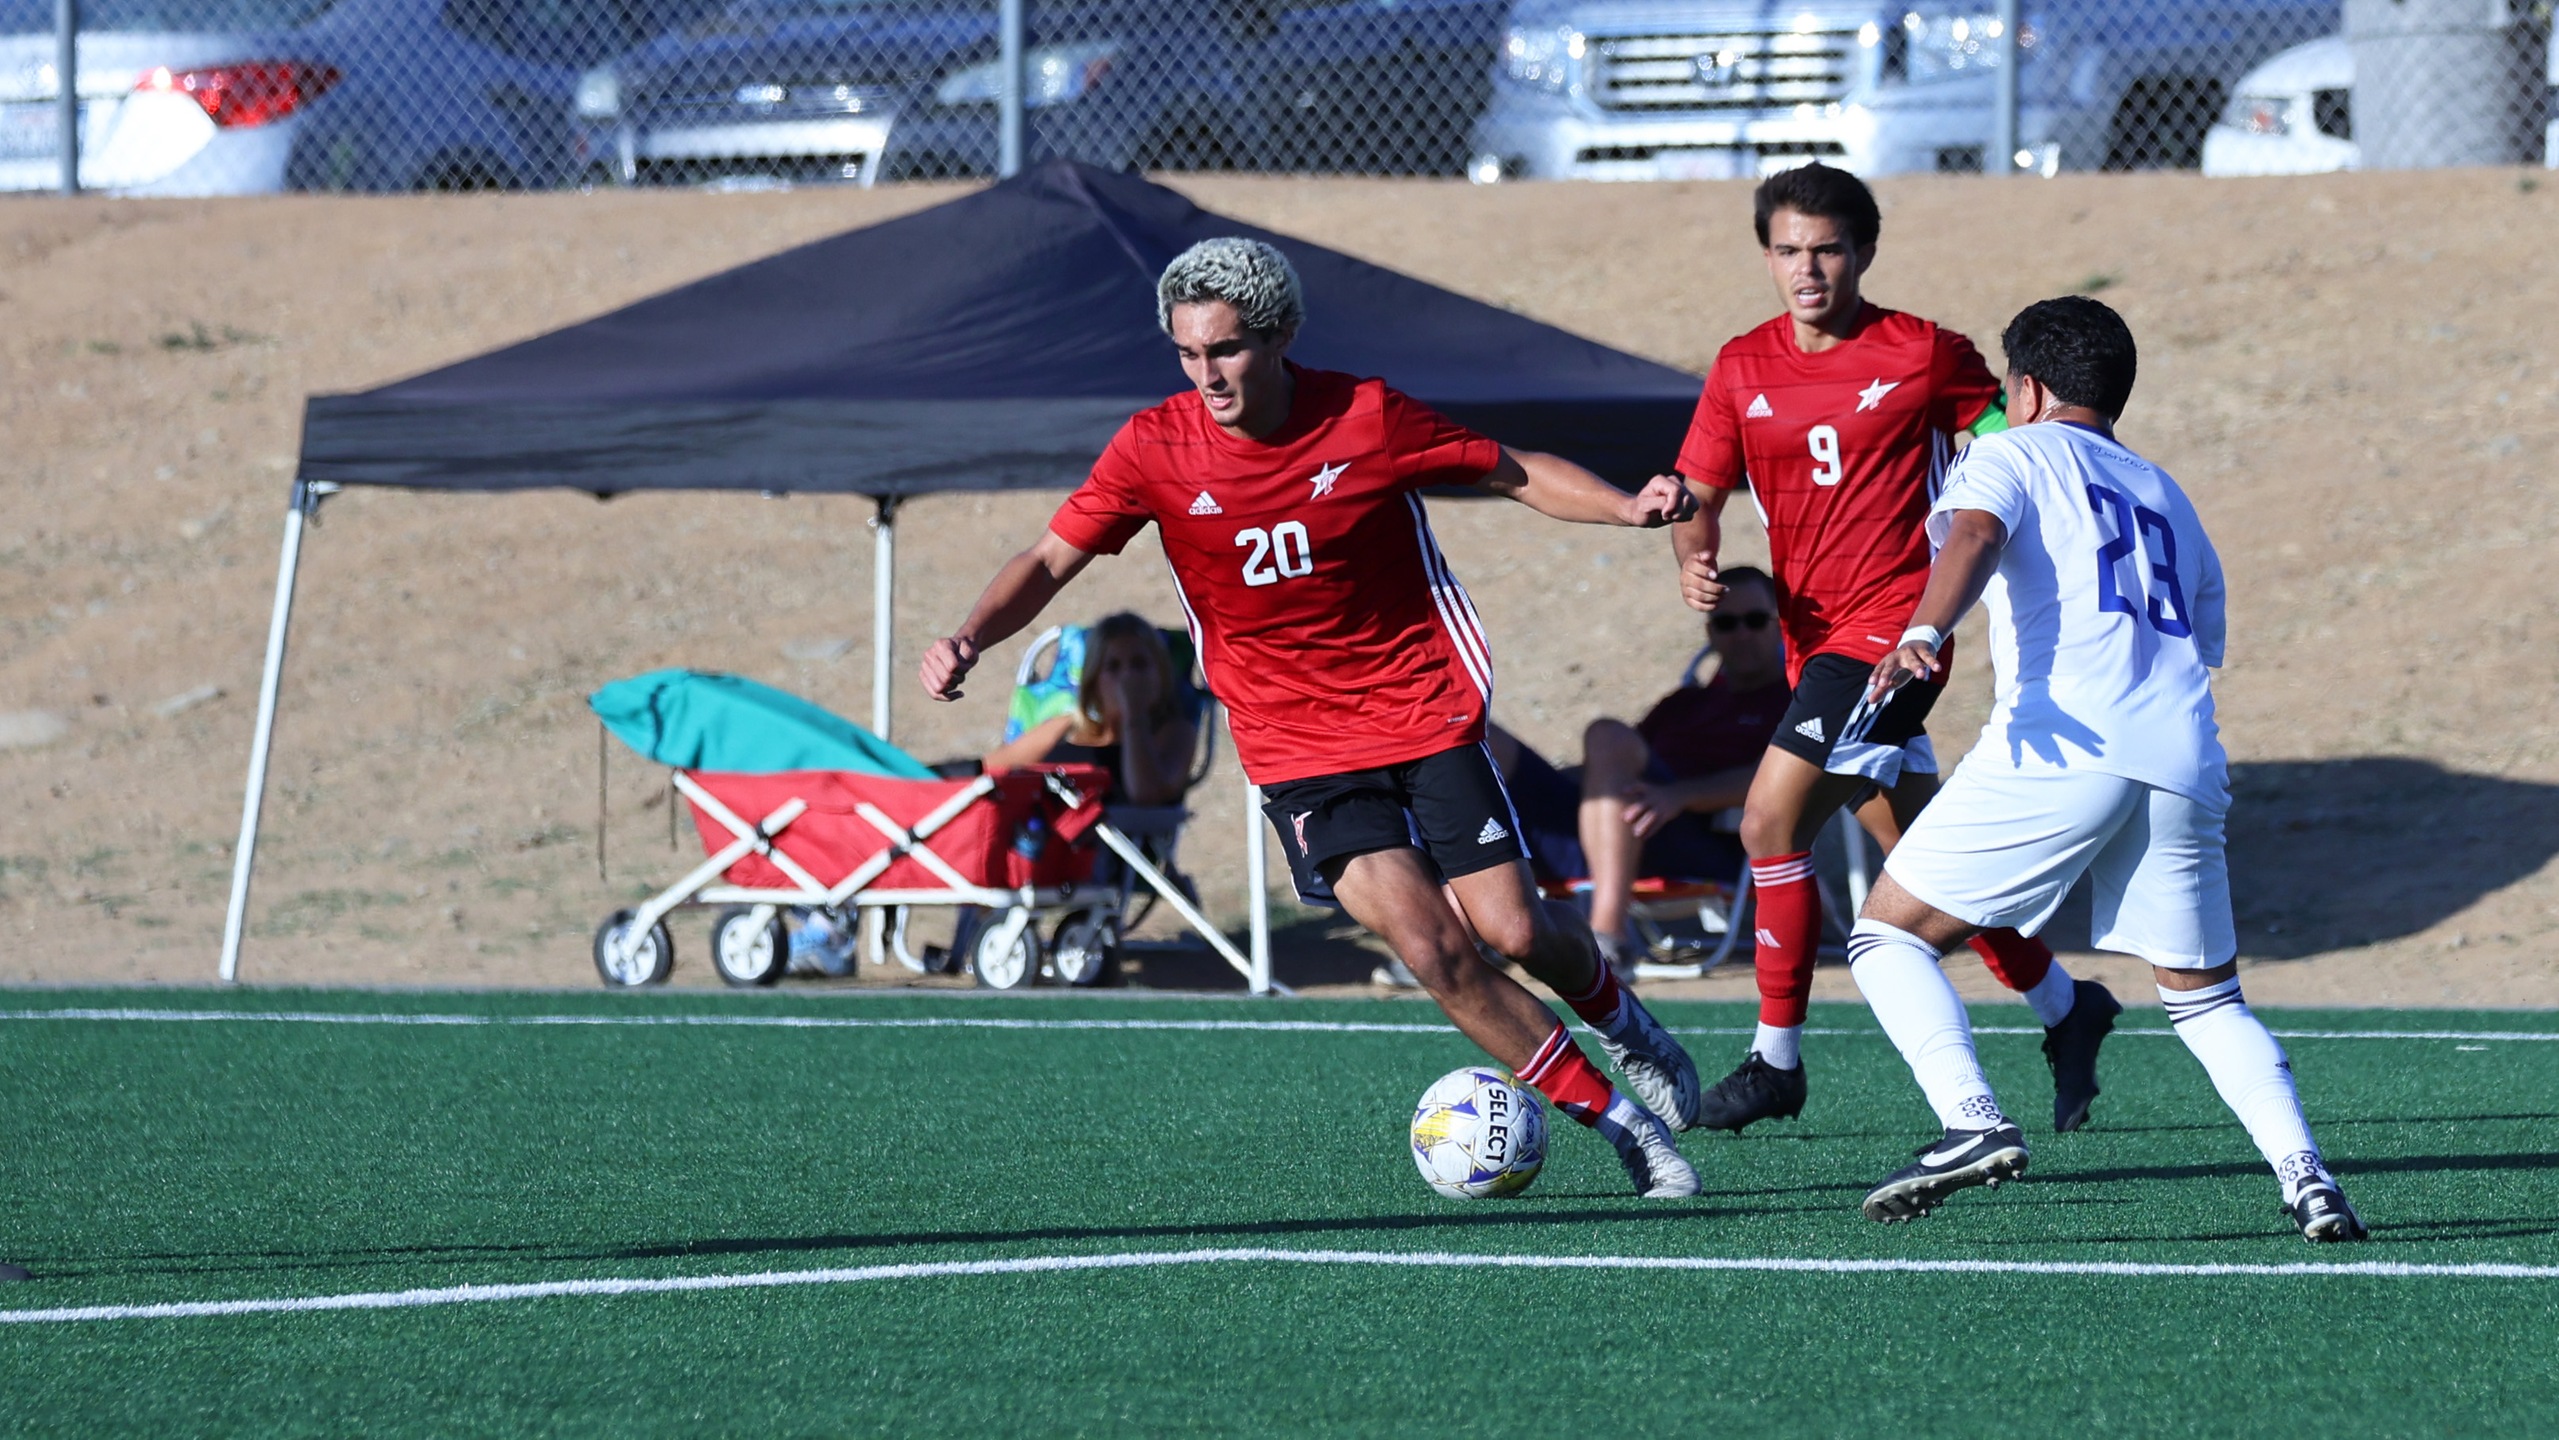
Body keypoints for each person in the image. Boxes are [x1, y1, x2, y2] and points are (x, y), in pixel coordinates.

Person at [922, 237, 1706, 1197]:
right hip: (1297, 746)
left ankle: (1625, 1025)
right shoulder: (1151, 448)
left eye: (1227, 350)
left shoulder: (1366, 417)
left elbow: (1512, 472)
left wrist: (1626, 509)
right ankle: (1626, 1130)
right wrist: (969, 637)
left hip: (1421, 708)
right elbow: (1048, 560)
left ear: (1281, 336)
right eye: (1187, 353)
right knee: (1430, 947)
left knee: (1511, 929)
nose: (1207, 374)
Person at [1844, 296, 2363, 1240]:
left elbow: (1973, 536)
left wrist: (1920, 630)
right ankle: (2307, 1177)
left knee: (1887, 937)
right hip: (2182, 756)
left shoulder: (2006, 451)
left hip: (2063, 744)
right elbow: (2197, 643)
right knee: (2206, 1001)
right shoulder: (2169, 493)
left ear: (2028, 388)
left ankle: (1969, 1121)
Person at [1664, 162, 2119, 1135]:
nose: (1808, 268)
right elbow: (1699, 492)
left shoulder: (1922, 353)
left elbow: (2021, 435)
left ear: (1864, 252)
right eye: (1789, 249)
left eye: (1828, 248)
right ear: (1768, 256)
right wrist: (1695, 559)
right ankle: (2067, 1006)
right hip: (1812, 645)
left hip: (1894, 639)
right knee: (1924, 859)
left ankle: (1774, 1059)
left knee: (1767, 821)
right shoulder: (1741, 365)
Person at [1485, 566, 1786, 965]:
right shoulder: (1683, 704)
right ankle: (1461, 927)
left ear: (1781, 624)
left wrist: (1680, 796)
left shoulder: (1793, 701)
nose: (1742, 634)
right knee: (1477, 733)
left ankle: (1608, 937)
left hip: (1697, 838)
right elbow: (1618, 766)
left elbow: (1787, 781)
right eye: (1727, 623)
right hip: (1615, 830)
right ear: (1711, 633)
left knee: (1606, 733)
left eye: (1755, 620)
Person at [984, 612, 1197, 806]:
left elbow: (1146, 793)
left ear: (1160, 675)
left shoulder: (1175, 732)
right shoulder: (1065, 727)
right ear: (1094, 682)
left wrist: (1134, 714)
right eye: (1113, 667)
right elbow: (986, 772)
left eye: (1139, 664)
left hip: (1122, 843)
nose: (1127, 677)